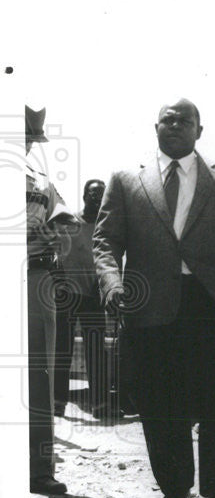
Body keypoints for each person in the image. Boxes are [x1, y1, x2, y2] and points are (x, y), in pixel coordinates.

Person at [93, 98, 215, 498]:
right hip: (149, 304)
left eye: (184, 120)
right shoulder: (125, 180)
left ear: (199, 130)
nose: (175, 126)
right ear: (155, 127)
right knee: (160, 399)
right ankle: (175, 492)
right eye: (167, 120)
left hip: (208, 302)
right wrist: (112, 284)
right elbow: (106, 243)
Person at [25, 106, 74, 495]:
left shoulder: (41, 180)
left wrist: (60, 239)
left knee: (39, 375)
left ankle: (38, 467)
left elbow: (64, 226)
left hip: (35, 276)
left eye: (29, 136)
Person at [52, 179, 116, 418]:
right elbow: (54, 253)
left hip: (93, 295)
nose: (96, 198)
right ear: (83, 196)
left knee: (96, 351)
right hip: (67, 295)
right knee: (62, 350)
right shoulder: (69, 222)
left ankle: (100, 404)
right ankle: (57, 403)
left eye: (101, 194)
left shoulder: (105, 226)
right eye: (92, 193)